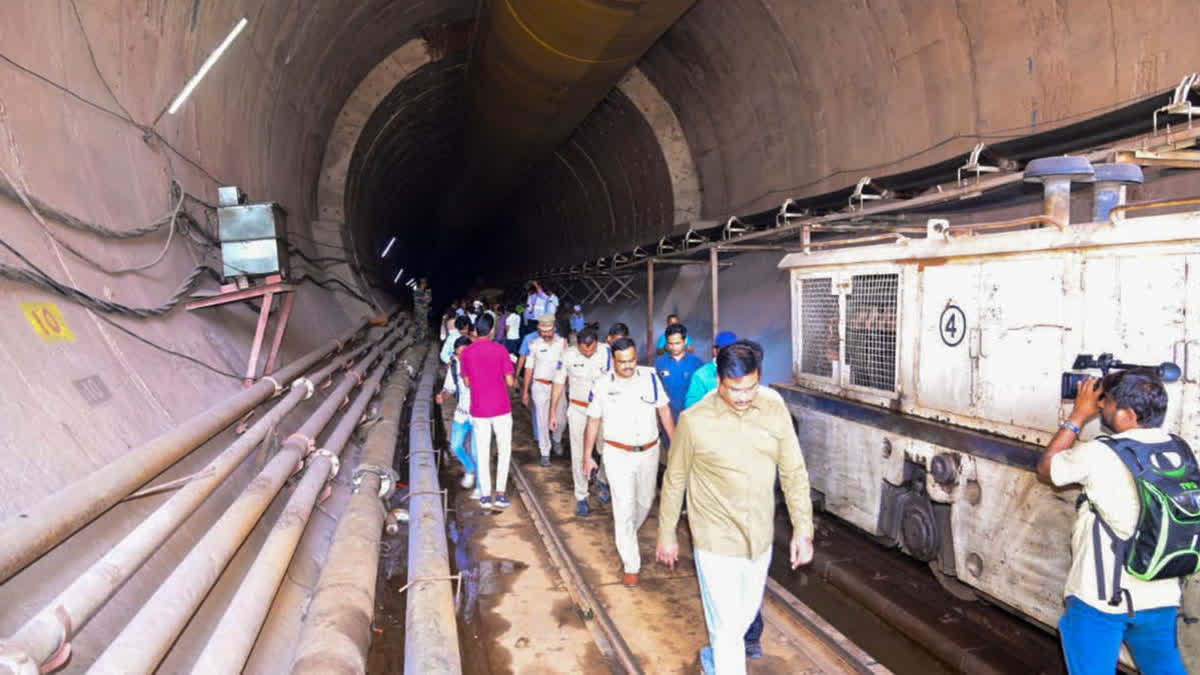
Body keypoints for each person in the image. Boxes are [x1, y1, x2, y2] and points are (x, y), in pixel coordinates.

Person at [656, 340, 814, 675]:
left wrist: (803, 529)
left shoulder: (773, 407)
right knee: (728, 629)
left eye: (751, 387)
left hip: (758, 537)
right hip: (715, 539)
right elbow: (675, 478)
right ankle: (724, 662)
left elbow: (793, 470)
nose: (743, 397)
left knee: (740, 620)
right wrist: (667, 532)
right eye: (734, 389)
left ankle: (715, 659)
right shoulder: (694, 420)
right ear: (718, 381)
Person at [1036, 371, 1189, 674]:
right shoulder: (1179, 449)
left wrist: (1078, 416)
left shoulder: (1100, 453)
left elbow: (1046, 468)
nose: (1102, 407)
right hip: (1161, 592)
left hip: (1102, 599)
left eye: (1109, 403)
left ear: (1130, 415)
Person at [583, 338, 675, 587]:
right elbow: (593, 421)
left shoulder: (650, 378)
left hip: (649, 452)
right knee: (623, 508)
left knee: (645, 502)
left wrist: (675, 445)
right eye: (622, 362)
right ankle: (631, 563)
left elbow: (664, 411)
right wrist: (587, 456)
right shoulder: (602, 384)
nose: (628, 366)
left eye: (632, 360)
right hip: (617, 454)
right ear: (614, 360)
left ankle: (626, 534)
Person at [549, 327, 610, 516]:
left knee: (606, 448)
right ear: (578, 344)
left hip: (602, 410)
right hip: (578, 409)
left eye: (591, 350)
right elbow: (559, 383)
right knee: (578, 453)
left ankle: (602, 479)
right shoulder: (568, 355)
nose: (588, 354)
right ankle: (582, 496)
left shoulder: (607, 352)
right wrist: (553, 411)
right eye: (584, 350)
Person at [459, 314, 517, 510]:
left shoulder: (466, 353)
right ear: (492, 330)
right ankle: (500, 495)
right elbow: (510, 382)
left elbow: (466, 383)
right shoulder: (501, 350)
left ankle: (485, 495)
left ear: (475, 330)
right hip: (501, 408)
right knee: (504, 451)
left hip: (479, 409)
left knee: (482, 452)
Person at [523, 314, 569, 466]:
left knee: (561, 419)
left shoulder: (562, 343)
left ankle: (556, 439)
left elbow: (566, 366)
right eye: (543, 331)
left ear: (554, 329)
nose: (546, 334)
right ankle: (545, 452)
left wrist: (569, 387)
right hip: (540, 386)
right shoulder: (534, 344)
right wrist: (525, 391)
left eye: (548, 331)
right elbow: (529, 368)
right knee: (542, 420)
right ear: (539, 330)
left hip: (559, 386)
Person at [435, 337, 478, 493]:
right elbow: (449, 388)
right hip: (462, 412)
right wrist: (442, 396)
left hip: (478, 415)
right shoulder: (454, 367)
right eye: (458, 354)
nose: (462, 357)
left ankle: (479, 484)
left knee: (474, 449)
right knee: (456, 445)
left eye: (464, 353)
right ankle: (470, 468)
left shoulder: (481, 364)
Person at [655, 323, 704, 425]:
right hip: (668, 418)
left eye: (677, 343)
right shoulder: (659, 363)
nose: (674, 347)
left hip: (691, 418)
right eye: (670, 344)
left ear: (685, 341)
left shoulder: (696, 363)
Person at [684, 331, 739, 409]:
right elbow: (691, 408)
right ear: (715, 351)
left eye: (733, 350)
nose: (730, 353)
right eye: (725, 350)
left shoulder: (743, 371)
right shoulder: (701, 375)